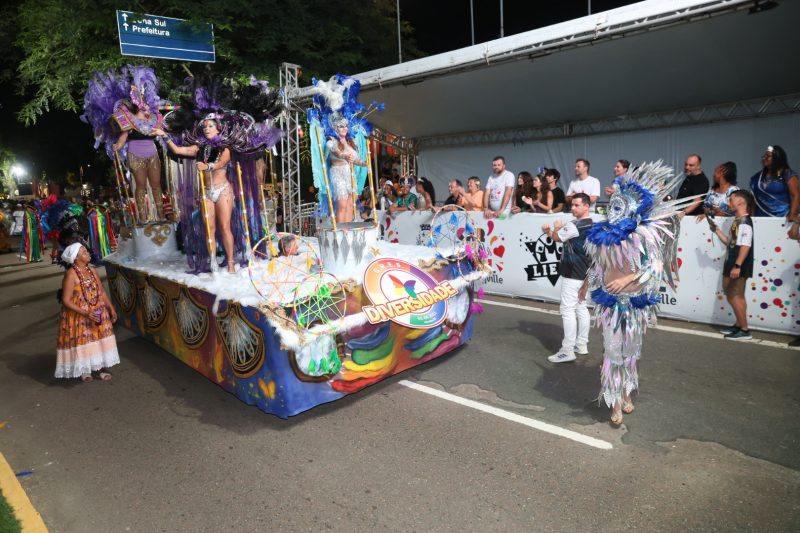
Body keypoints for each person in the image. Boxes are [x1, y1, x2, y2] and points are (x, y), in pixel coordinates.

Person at [154, 115, 238, 273]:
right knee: (209, 228)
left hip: (222, 190)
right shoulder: (199, 147)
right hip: (206, 192)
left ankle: (231, 262)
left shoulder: (225, 147)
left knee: (224, 227)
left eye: (211, 126)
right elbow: (178, 150)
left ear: (218, 129)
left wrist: (207, 167)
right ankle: (213, 262)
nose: (207, 129)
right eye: (205, 126)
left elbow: (221, 162)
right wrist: (164, 136)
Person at [56, 242, 119, 382]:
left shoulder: (92, 271)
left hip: (97, 310)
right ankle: (85, 370)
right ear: (75, 258)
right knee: (84, 340)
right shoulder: (71, 275)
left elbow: (101, 291)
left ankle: (100, 367)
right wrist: (85, 313)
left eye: (87, 251)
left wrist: (110, 307)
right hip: (79, 314)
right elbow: (66, 300)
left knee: (98, 339)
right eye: (84, 252)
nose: (88, 254)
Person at [542, 193, 594, 364]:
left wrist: (552, 229)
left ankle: (567, 350)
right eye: (572, 205)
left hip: (573, 272)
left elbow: (556, 237)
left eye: (576, 205)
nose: (572, 208)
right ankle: (581, 345)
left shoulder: (574, 225)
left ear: (586, 206)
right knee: (581, 307)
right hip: (585, 272)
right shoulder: (592, 224)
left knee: (567, 310)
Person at [111, 94, 167, 222]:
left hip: (152, 154)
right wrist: (117, 145)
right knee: (141, 185)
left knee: (156, 184)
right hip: (135, 155)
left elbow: (162, 132)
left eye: (148, 103)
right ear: (138, 106)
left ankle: (161, 215)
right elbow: (123, 138)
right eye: (145, 104)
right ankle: (142, 217)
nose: (148, 106)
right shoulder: (129, 120)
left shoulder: (154, 119)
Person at [708, 190, 755, 341]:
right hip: (731, 263)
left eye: (731, 200)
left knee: (736, 296)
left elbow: (745, 246)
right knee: (732, 296)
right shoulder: (737, 221)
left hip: (738, 265)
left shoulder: (745, 222)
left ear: (740, 202)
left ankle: (745, 330)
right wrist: (717, 230)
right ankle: (738, 325)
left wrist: (738, 265)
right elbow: (730, 242)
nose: (728, 203)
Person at [326, 117, 369, 223]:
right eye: (341, 126)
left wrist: (364, 163)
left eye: (346, 126)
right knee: (342, 205)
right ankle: (340, 229)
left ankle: (348, 227)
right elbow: (337, 152)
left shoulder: (351, 141)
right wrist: (344, 156)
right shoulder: (332, 140)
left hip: (349, 174)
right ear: (335, 128)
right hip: (338, 173)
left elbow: (355, 160)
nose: (344, 128)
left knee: (351, 204)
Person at [749, 145, 799, 220]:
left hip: (783, 219)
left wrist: (792, 214)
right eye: (764, 156)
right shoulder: (756, 177)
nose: (764, 158)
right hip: (760, 219)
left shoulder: (787, 174)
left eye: (768, 156)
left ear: (777, 158)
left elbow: (795, 195)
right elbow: (753, 201)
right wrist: (752, 218)